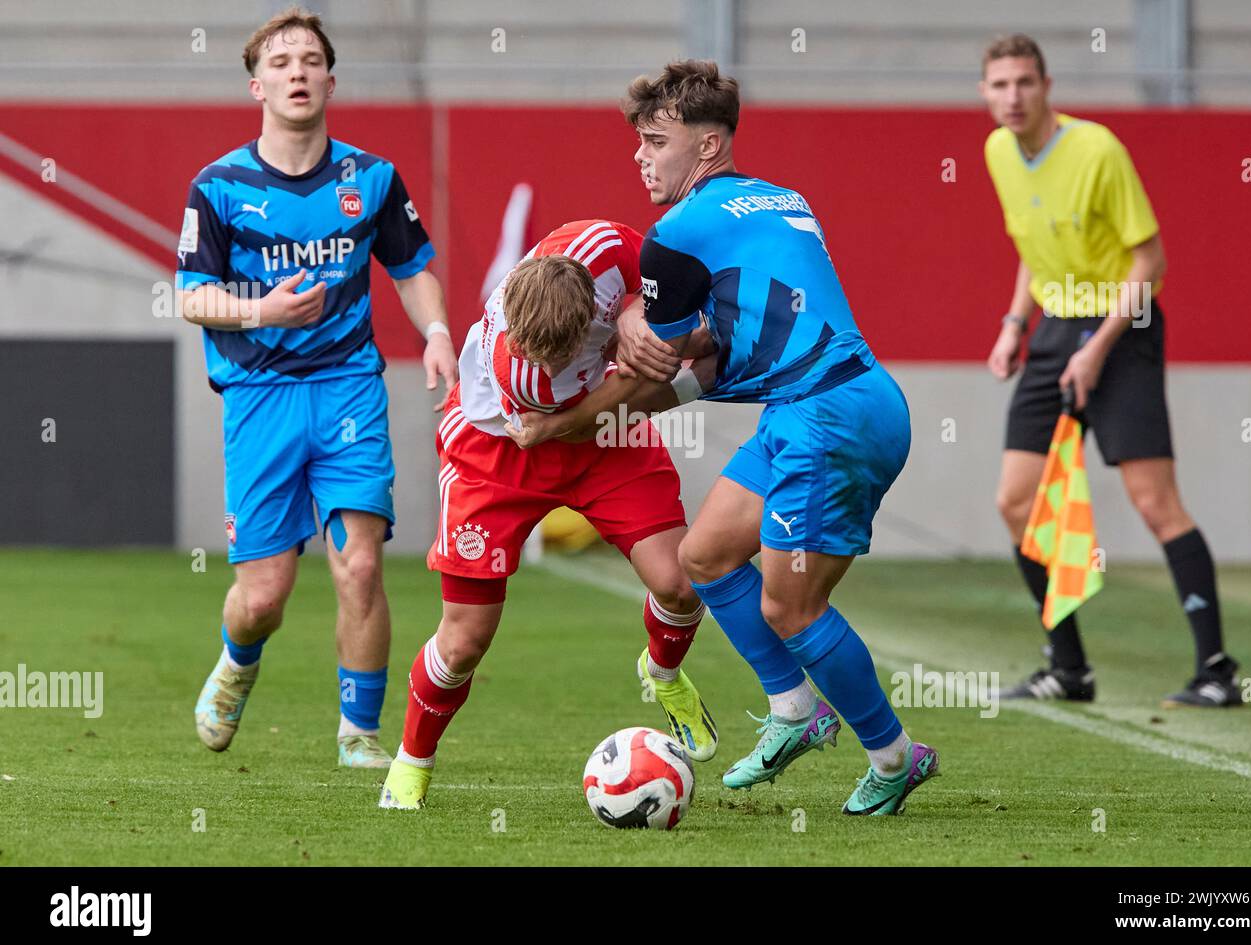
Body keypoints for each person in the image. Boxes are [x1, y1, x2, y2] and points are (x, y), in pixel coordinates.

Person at [519, 62, 940, 816]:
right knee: (705, 555)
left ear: (708, 148)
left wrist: (563, 421)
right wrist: (657, 354)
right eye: (638, 142)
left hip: (829, 415)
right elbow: (722, 354)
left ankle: (893, 756)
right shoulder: (782, 198)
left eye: (656, 141)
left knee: (791, 609)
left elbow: (666, 368)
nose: (640, 157)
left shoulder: (674, 235)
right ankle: (793, 712)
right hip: (819, 403)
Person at [178, 6, 459, 767]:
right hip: (259, 397)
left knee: (361, 564)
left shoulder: (369, 178)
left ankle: (360, 736)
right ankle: (237, 661)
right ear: (256, 86)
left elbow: (412, 271)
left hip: (347, 390)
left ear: (330, 80)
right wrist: (262, 308)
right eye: (280, 62)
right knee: (265, 596)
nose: (296, 71)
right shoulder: (219, 185)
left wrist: (436, 335)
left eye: (309, 60)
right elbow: (191, 296)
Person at [378, 220, 719, 810]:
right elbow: (613, 397)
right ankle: (413, 760)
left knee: (682, 584)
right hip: (499, 454)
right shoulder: (523, 369)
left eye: (556, 350)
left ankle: (663, 673)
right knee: (464, 641)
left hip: (599, 440)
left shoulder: (602, 246)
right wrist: (684, 369)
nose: (532, 353)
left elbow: (659, 286)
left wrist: (645, 318)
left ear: (588, 313)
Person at [980, 34, 1242, 707]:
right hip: (1051, 331)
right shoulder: (997, 152)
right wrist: (1015, 324)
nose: (1012, 97)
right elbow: (1029, 248)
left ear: (1046, 87)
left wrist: (1094, 348)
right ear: (986, 92)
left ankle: (1217, 670)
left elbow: (1149, 263)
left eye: (1024, 83)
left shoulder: (1098, 150)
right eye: (1000, 85)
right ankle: (1069, 670)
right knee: (1016, 503)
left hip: (1123, 332)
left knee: (1155, 503)